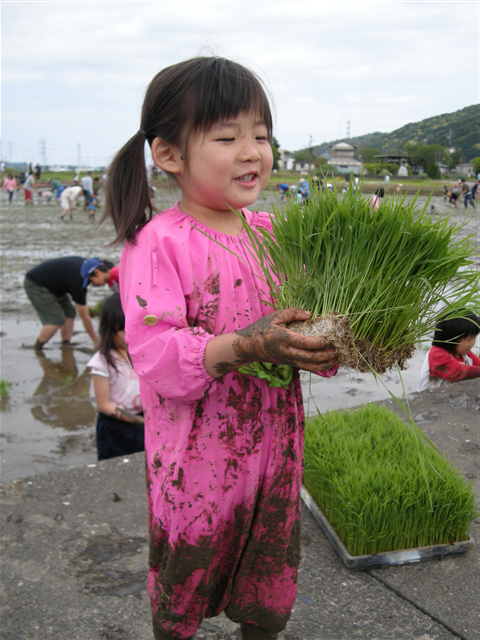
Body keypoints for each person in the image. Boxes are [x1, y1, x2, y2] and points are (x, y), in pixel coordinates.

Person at [104, 56, 337, 640]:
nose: (252, 151)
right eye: (228, 137)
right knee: (188, 573)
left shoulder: (271, 234)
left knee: (269, 575)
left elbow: (304, 318)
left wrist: (326, 343)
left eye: (261, 135)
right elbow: (156, 356)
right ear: (170, 155)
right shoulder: (157, 243)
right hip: (197, 458)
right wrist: (245, 345)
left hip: (276, 446)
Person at [87, 293, 144, 460]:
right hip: (114, 427)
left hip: (142, 419)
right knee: (114, 463)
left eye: (133, 326)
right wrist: (139, 421)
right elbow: (104, 405)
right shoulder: (102, 362)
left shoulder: (140, 354)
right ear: (109, 328)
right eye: (122, 329)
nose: (129, 333)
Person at [23, 256, 114, 349]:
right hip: (36, 284)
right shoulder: (78, 281)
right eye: (105, 280)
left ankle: (65, 344)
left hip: (54, 285)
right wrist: (96, 341)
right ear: (97, 272)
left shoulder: (88, 268)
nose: (103, 285)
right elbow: (84, 316)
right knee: (56, 320)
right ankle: (38, 348)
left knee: (69, 313)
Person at [418, 310, 480, 392]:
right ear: (451, 339)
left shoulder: (466, 355)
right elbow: (457, 372)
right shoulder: (436, 354)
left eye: (474, 338)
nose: (472, 343)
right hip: (429, 400)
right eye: (468, 339)